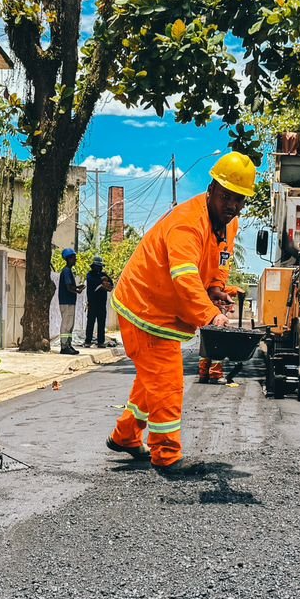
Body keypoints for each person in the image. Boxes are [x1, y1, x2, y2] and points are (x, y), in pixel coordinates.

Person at [106, 153, 251, 469]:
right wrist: (211, 316)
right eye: (226, 196)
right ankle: (167, 455)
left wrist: (215, 287)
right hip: (143, 309)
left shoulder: (228, 223)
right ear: (211, 189)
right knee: (168, 382)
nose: (232, 205)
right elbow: (183, 278)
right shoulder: (187, 223)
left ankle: (126, 435)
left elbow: (221, 258)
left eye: (239, 200)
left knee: (152, 381)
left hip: (163, 313)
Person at [57, 248, 83, 355]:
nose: (75, 260)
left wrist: (77, 287)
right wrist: (77, 290)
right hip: (66, 302)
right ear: (69, 259)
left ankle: (68, 344)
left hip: (69, 301)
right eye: (73, 258)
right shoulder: (66, 271)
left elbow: (70, 286)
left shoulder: (68, 271)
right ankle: (64, 346)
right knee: (66, 324)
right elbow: (68, 287)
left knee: (70, 325)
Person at [84, 257, 113, 347]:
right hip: (92, 303)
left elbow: (111, 284)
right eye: (97, 266)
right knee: (90, 322)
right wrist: (101, 281)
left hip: (101, 304)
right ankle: (88, 341)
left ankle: (101, 341)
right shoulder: (90, 275)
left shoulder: (104, 275)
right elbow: (92, 281)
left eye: (100, 266)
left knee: (101, 323)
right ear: (93, 266)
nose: (99, 268)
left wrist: (106, 282)